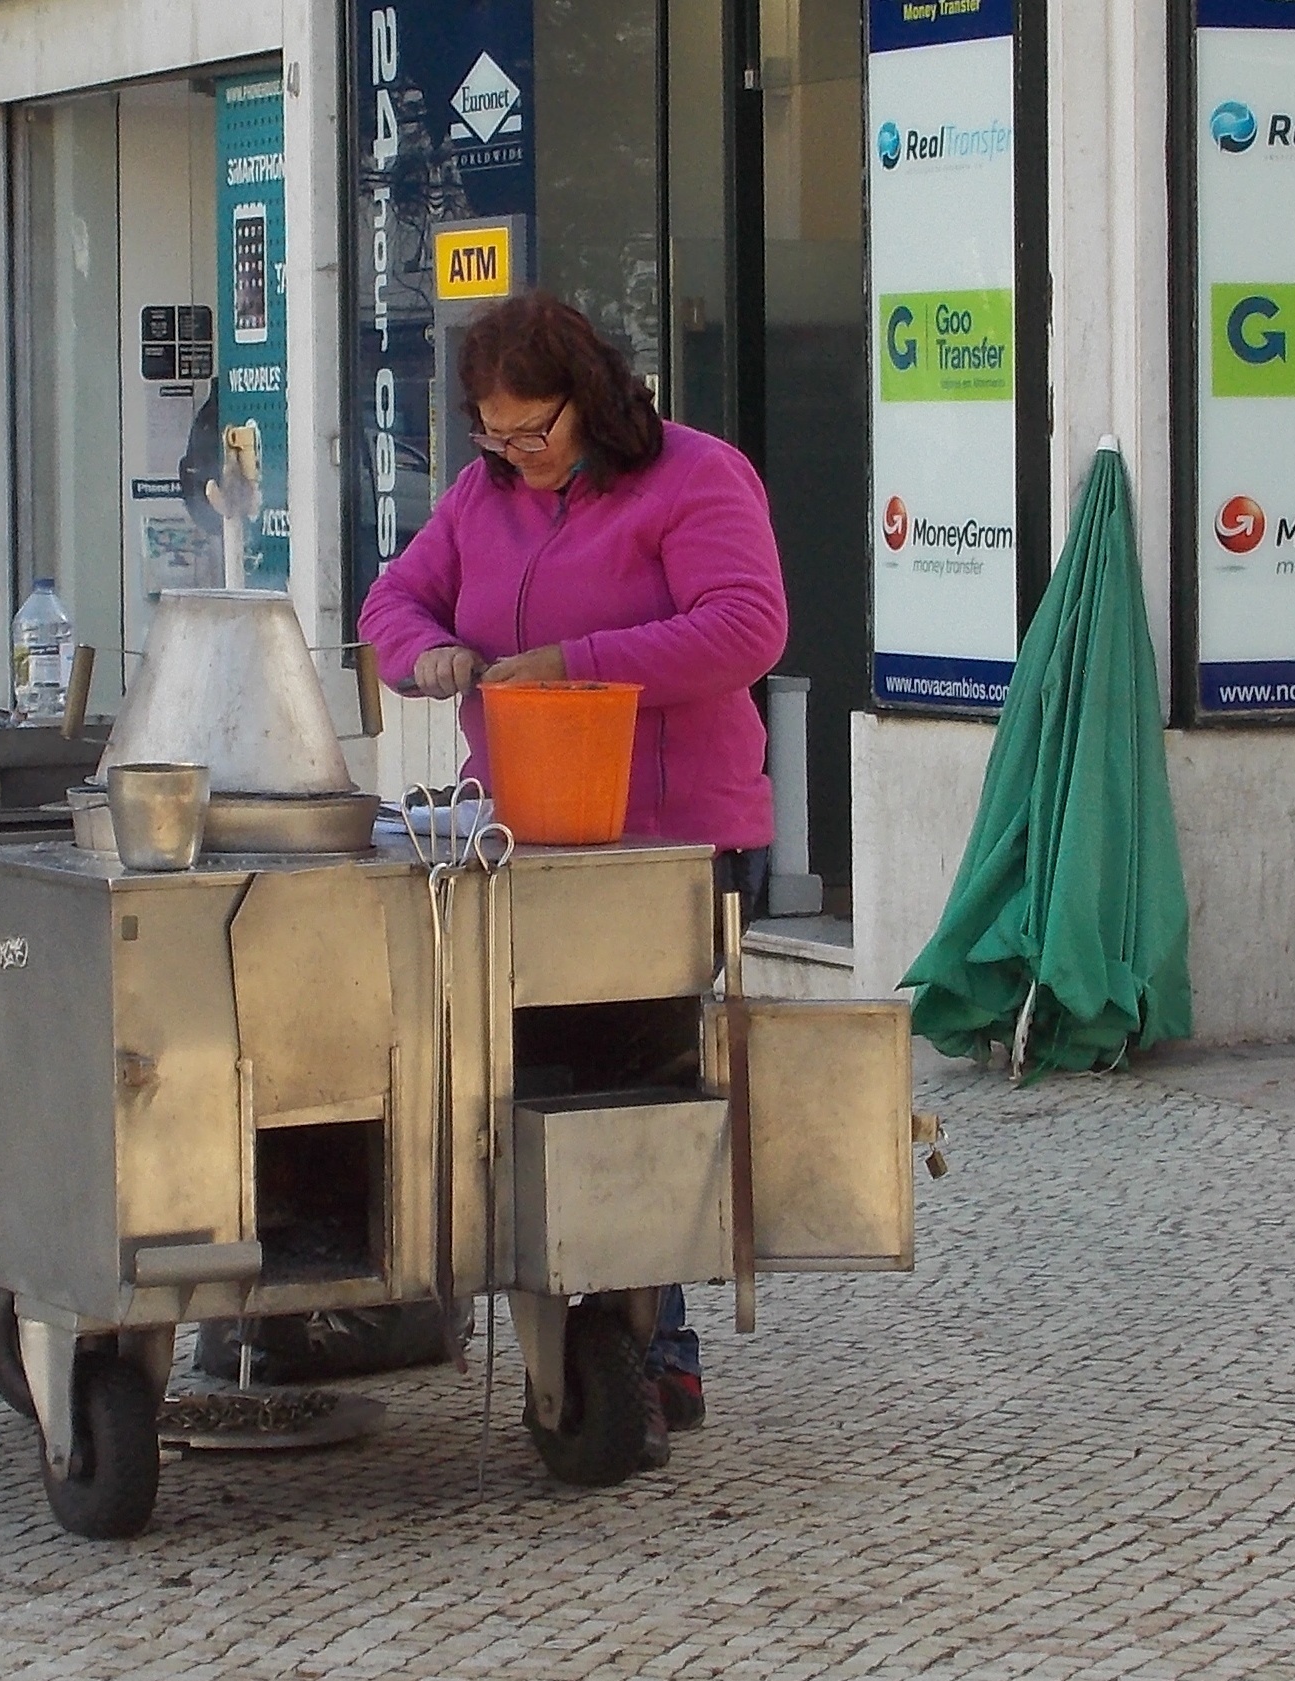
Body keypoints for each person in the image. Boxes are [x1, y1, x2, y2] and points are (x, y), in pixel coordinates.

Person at [358, 291, 788, 1467]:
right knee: (543, 1086)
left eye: (530, 433)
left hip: (668, 834)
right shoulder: (479, 498)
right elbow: (390, 599)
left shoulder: (695, 478)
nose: (513, 457)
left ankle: (648, 1347)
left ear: (588, 401)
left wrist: (575, 667)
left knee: (636, 1088)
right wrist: (423, 651)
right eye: (490, 437)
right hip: (527, 838)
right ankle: (626, 1336)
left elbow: (747, 627)